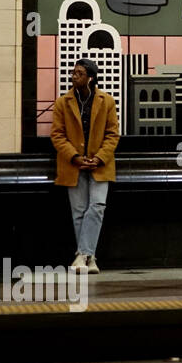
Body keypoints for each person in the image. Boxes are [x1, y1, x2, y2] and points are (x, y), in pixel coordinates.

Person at [50, 58, 120, 273]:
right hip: (73, 165)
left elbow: (113, 134)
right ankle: (90, 259)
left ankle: (82, 255)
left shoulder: (106, 101)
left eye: (79, 73)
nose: (74, 76)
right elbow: (57, 135)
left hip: (100, 165)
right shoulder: (63, 102)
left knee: (97, 207)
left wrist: (99, 157)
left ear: (90, 77)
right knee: (78, 211)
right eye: (73, 72)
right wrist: (75, 157)